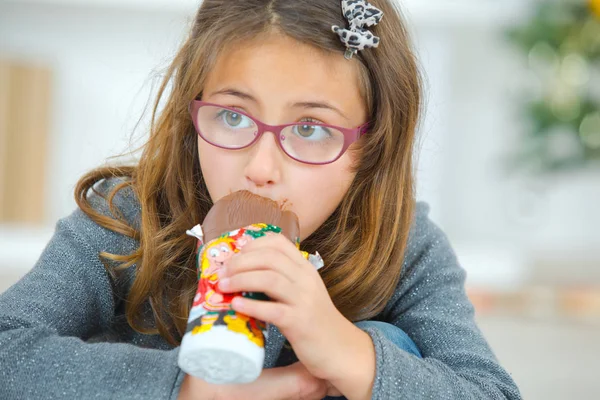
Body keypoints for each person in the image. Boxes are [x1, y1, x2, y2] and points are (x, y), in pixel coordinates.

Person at [0, 0, 522, 399]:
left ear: (372, 147)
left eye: (311, 128)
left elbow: (490, 391)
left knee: (389, 344)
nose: (260, 169)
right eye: (232, 117)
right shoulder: (128, 216)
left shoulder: (404, 244)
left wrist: (348, 351)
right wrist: (185, 387)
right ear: (191, 115)